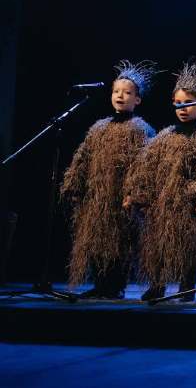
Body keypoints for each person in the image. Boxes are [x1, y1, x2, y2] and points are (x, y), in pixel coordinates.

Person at [125, 58, 196, 302]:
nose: (183, 108)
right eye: (178, 103)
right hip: (163, 205)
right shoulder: (165, 136)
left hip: (188, 204)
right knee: (157, 244)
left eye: (188, 103)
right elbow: (146, 167)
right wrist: (141, 196)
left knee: (189, 246)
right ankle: (156, 285)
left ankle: (186, 286)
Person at [60, 60, 157, 299]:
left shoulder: (140, 129)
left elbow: (144, 165)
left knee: (119, 242)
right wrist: (74, 185)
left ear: (137, 100)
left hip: (121, 197)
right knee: (96, 240)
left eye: (127, 93)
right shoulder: (98, 128)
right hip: (97, 197)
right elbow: (83, 157)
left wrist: (134, 194)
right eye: (116, 91)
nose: (120, 96)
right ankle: (100, 284)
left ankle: (115, 286)